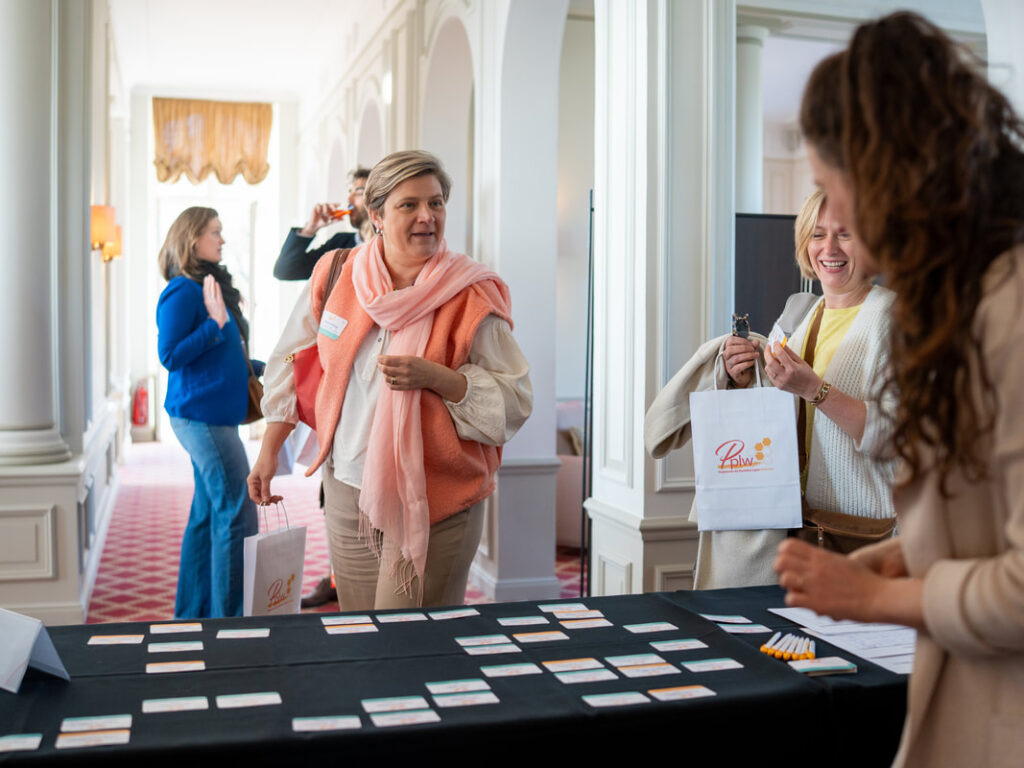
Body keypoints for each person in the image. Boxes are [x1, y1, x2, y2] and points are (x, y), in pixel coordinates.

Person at [773, 12, 1024, 767]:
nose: (832, 228)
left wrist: (877, 600)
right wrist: (911, 553)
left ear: (886, 170)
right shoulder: (957, 297)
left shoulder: (1009, 306)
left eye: (832, 190)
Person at [249, 150, 533, 609]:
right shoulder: (336, 274)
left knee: (408, 640)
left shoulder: (471, 294)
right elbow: (289, 359)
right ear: (377, 215)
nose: (427, 216)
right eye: (409, 205)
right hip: (346, 489)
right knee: (361, 634)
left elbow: (514, 400)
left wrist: (440, 378)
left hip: (435, 499)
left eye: (436, 203)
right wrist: (269, 450)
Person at [645, 189, 896, 588]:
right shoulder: (799, 315)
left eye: (845, 234)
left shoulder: (894, 320)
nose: (829, 248)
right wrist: (743, 378)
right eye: (817, 234)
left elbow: (899, 436)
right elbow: (776, 416)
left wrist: (814, 389)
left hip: (854, 535)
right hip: (784, 528)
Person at [273, 166, 373, 609]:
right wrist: (311, 228)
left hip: (376, 388)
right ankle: (337, 574)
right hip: (335, 389)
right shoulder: (341, 248)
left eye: (362, 191)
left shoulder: (401, 251)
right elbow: (286, 268)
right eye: (351, 191)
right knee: (333, 486)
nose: (354, 199)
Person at [156, 207, 258, 619]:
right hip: (201, 419)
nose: (222, 239)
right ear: (192, 237)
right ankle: (228, 623)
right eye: (215, 232)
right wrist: (214, 324)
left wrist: (280, 364)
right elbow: (170, 355)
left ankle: (193, 615)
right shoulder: (182, 291)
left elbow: (226, 355)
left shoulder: (210, 286)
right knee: (237, 511)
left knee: (207, 514)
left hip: (216, 416)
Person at [273, 168, 372, 280]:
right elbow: (285, 271)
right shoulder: (340, 243)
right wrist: (310, 228)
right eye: (350, 192)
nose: (349, 199)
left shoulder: (387, 244)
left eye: (359, 192)